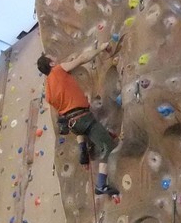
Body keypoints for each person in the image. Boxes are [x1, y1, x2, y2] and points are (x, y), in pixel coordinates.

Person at [37, 42, 119, 196]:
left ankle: (83, 149)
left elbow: (62, 113)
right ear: (51, 63)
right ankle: (101, 184)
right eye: (51, 57)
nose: (54, 57)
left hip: (74, 124)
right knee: (108, 145)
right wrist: (101, 48)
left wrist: (82, 148)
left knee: (93, 131)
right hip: (84, 119)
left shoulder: (48, 91)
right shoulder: (58, 70)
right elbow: (81, 59)